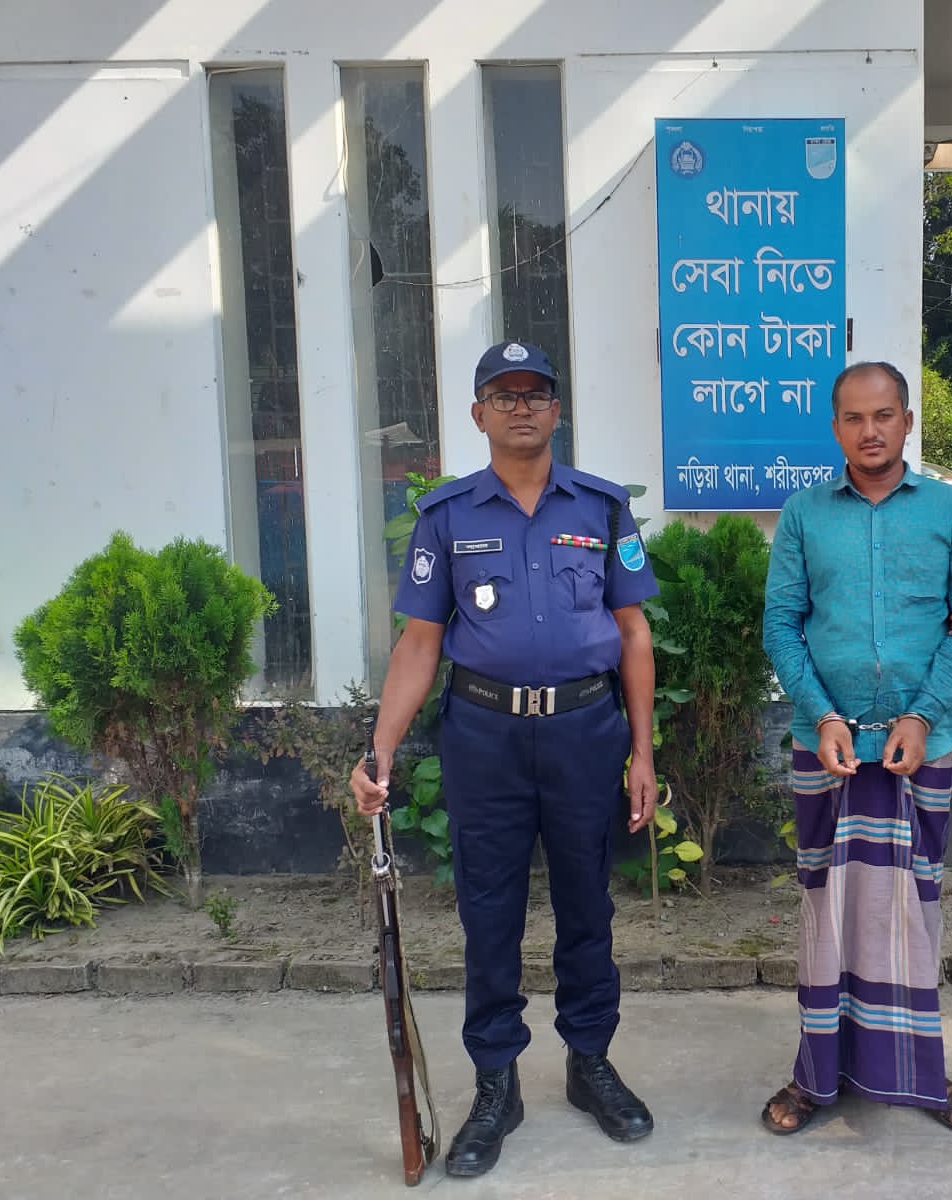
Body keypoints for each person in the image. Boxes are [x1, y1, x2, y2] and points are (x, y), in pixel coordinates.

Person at [350, 340, 660, 1179]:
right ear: (478, 413)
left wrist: (641, 751)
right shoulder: (447, 516)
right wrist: (378, 752)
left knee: (587, 905)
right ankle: (497, 1083)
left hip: (585, 732)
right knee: (489, 913)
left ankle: (590, 1063)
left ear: (556, 410)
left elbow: (633, 634)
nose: (520, 407)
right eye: (503, 394)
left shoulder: (600, 508)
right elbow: (419, 645)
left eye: (535, 393)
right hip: (484, 737)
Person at [759, 360, 952, 1137]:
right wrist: (822, 714)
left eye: (884, 415)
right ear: (835, 428)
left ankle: (919, 1073)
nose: (870, 431)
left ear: (907, 421)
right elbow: (781, 625)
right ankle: (817, 1075)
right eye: (854, 418)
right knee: (825, 913)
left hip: (918, 749)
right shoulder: (803, 514)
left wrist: (922, 716)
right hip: (826, 749)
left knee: (911, 914)